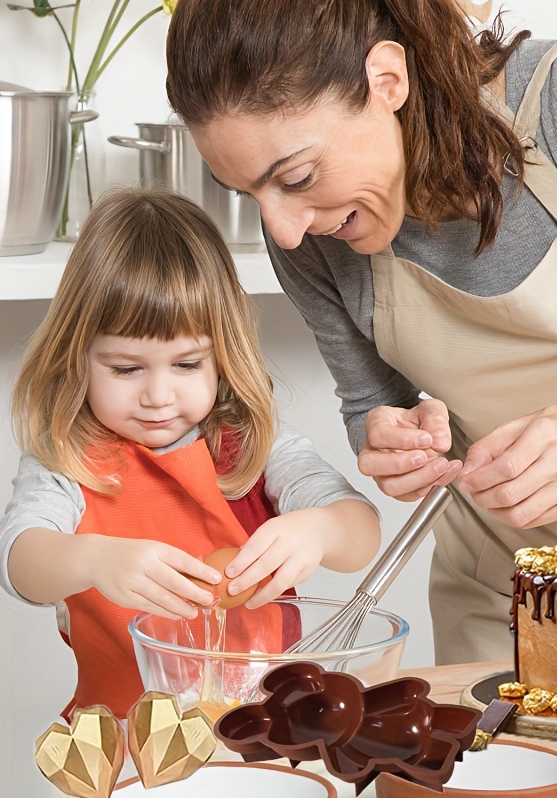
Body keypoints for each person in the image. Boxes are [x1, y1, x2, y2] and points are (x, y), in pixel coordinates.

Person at [165, 0, 557, 663]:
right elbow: (370, 401)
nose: (283, 229)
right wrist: (386, 436)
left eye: (295, 177)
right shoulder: (309, 235)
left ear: (387, 81)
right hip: (505, 588)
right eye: (247, 193)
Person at [0, 186, 381, 719]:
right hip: (127, 745)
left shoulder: (254, 445)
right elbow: (21, 563)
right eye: (126, 369)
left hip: (263, 735)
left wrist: (318, 530)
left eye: (186, 365)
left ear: (222, 356)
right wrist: (92, 558)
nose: (158, 396)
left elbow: (361, 531)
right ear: (77, 357)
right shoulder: (67, 457)